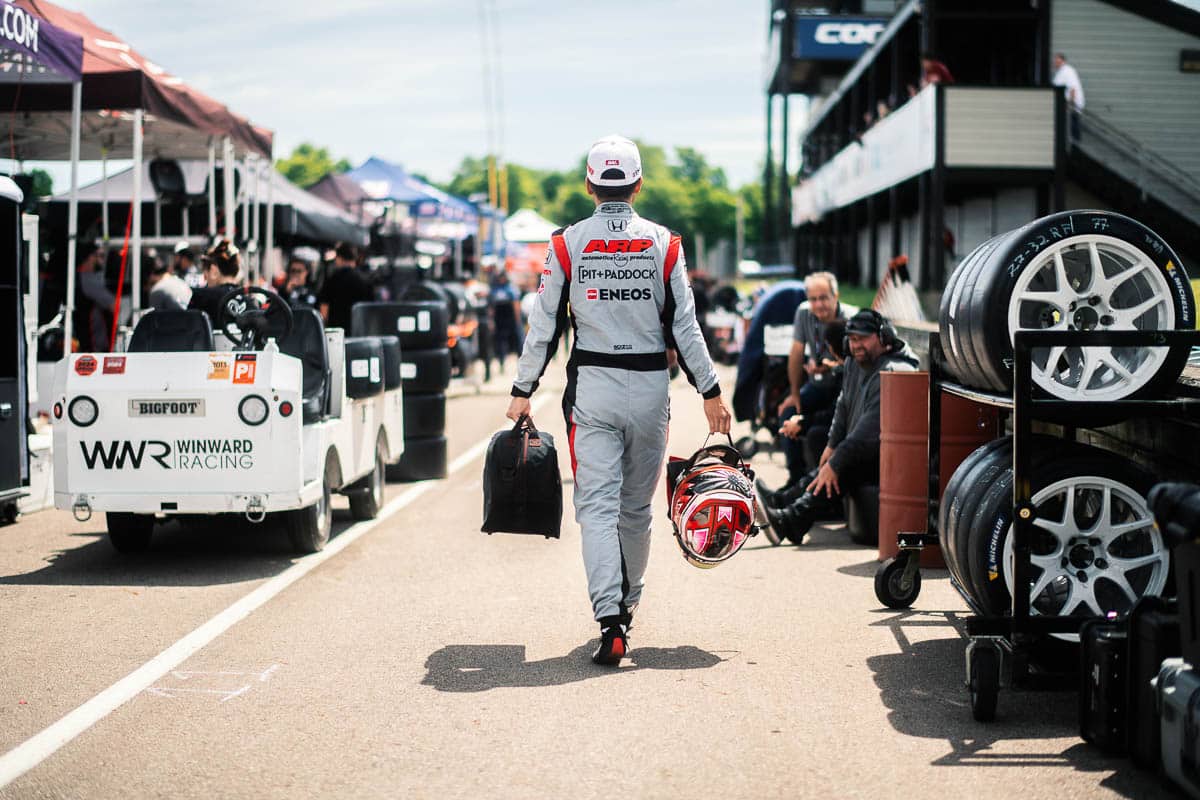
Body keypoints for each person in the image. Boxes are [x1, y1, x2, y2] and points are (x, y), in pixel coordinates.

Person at [505, 134, 731, 666]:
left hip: (594, 388)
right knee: (635, 511)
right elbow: (686, 325)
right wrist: (711, 390)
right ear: (638, 184)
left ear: (589, 185)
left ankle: (610, 621)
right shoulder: (665, 242)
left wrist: (522, 390)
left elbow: (544, 326)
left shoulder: (565, 244)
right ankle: (626, 613)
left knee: (598, 510)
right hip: (652, 388)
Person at [762, 309, 918, 545]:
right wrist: (832, 445)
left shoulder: (894, 371)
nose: (856, 345)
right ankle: (781, 504)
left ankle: (789, 521)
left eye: (863, 338)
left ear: (884, 337)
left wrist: (837, 460)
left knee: (842, 468)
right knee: (829, 467)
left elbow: (869, 431)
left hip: (892, 459)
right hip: (867, 450)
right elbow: (843, 404)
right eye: (852, 339)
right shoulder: (856, 363)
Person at [770, 272, 855, 495]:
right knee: (788, 410)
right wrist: (795, 394)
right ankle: (795, 478)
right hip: (816, 384)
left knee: (819, 426)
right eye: (813, 299)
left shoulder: (850, 318)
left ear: (836, 295)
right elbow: (796, 353)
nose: (819, 304)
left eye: (824, 298)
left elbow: (856, 367)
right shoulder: (803, 313)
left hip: (844, 389)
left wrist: (833, 367)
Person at [318, 242, 374, 331]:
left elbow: (324, 309)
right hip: (358, 331)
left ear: (339, 258)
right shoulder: (365, 279)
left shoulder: (333, 279)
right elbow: (370, 310)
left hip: (337, 333)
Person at [187, 239, 242, 324]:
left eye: (205, 273)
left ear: (213, 271)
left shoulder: (201, 297)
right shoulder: (251, 301)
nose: (205, 278)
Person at [490, 269, 524, 364]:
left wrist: (517, 319)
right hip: (500, 318)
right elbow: (492, 307)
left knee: (518, 338)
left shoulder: (511, 288)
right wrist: (492, 320)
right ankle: (501, 360)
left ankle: (521, 359)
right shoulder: (495, 289)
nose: (501, 279)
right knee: (501, 339)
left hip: (511, 317)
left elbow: (516, 304)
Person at [1052, 52, 1085, 141]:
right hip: (1065, 107)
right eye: (1054, 60)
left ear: (1062, 60)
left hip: (1071, 107)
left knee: (1072, 129)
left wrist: (1070, 105)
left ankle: (1074, 143)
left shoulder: (1067, 71)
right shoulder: (1061, 72)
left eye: (1056, 60)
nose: (1054, 62)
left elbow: (1072, 88)